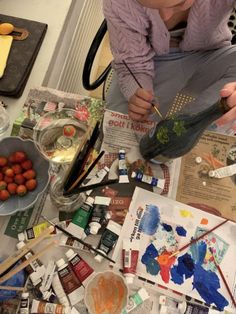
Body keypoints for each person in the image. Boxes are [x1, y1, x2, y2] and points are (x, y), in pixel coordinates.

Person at [103, 0, 236, 127]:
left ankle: (192, 125)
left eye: (179, 3)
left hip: (210, 55)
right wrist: (137, 93)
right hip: (150, 60)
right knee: (120, 125)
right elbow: (133, 64)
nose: (165, 17)